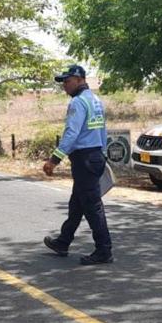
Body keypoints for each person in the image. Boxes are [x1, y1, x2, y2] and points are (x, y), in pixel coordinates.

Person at [43, 65, 113, 265]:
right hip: (95, 156)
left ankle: (104, 250)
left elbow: (71, 134)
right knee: (77, 203)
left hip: (85, 159)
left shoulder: (78, 102)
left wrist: (54, 159)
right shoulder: (95, 100)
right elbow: (102, 130)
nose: (64, 85)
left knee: (92, 206)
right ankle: (63, 241)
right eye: (63, 82)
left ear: (80, 79)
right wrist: (102, 154)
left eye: (67, 81)